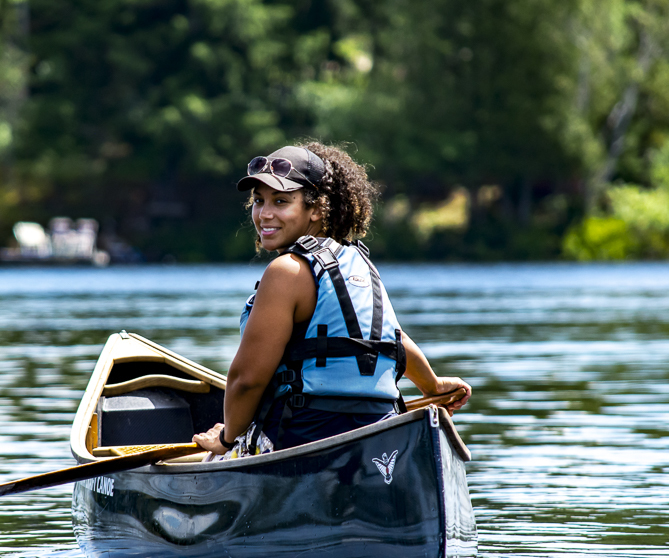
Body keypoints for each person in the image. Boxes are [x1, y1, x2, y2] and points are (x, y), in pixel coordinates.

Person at [193, 143, 471, 458]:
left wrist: (227, 439)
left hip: (304, 435)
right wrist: (432, 387)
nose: (265, 214)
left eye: (281, 201)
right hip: (381, 432)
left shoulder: (286, 271)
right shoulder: (359, 264)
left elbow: (246, 381)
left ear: (316, 209)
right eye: (259, 201)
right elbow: (390, 339)